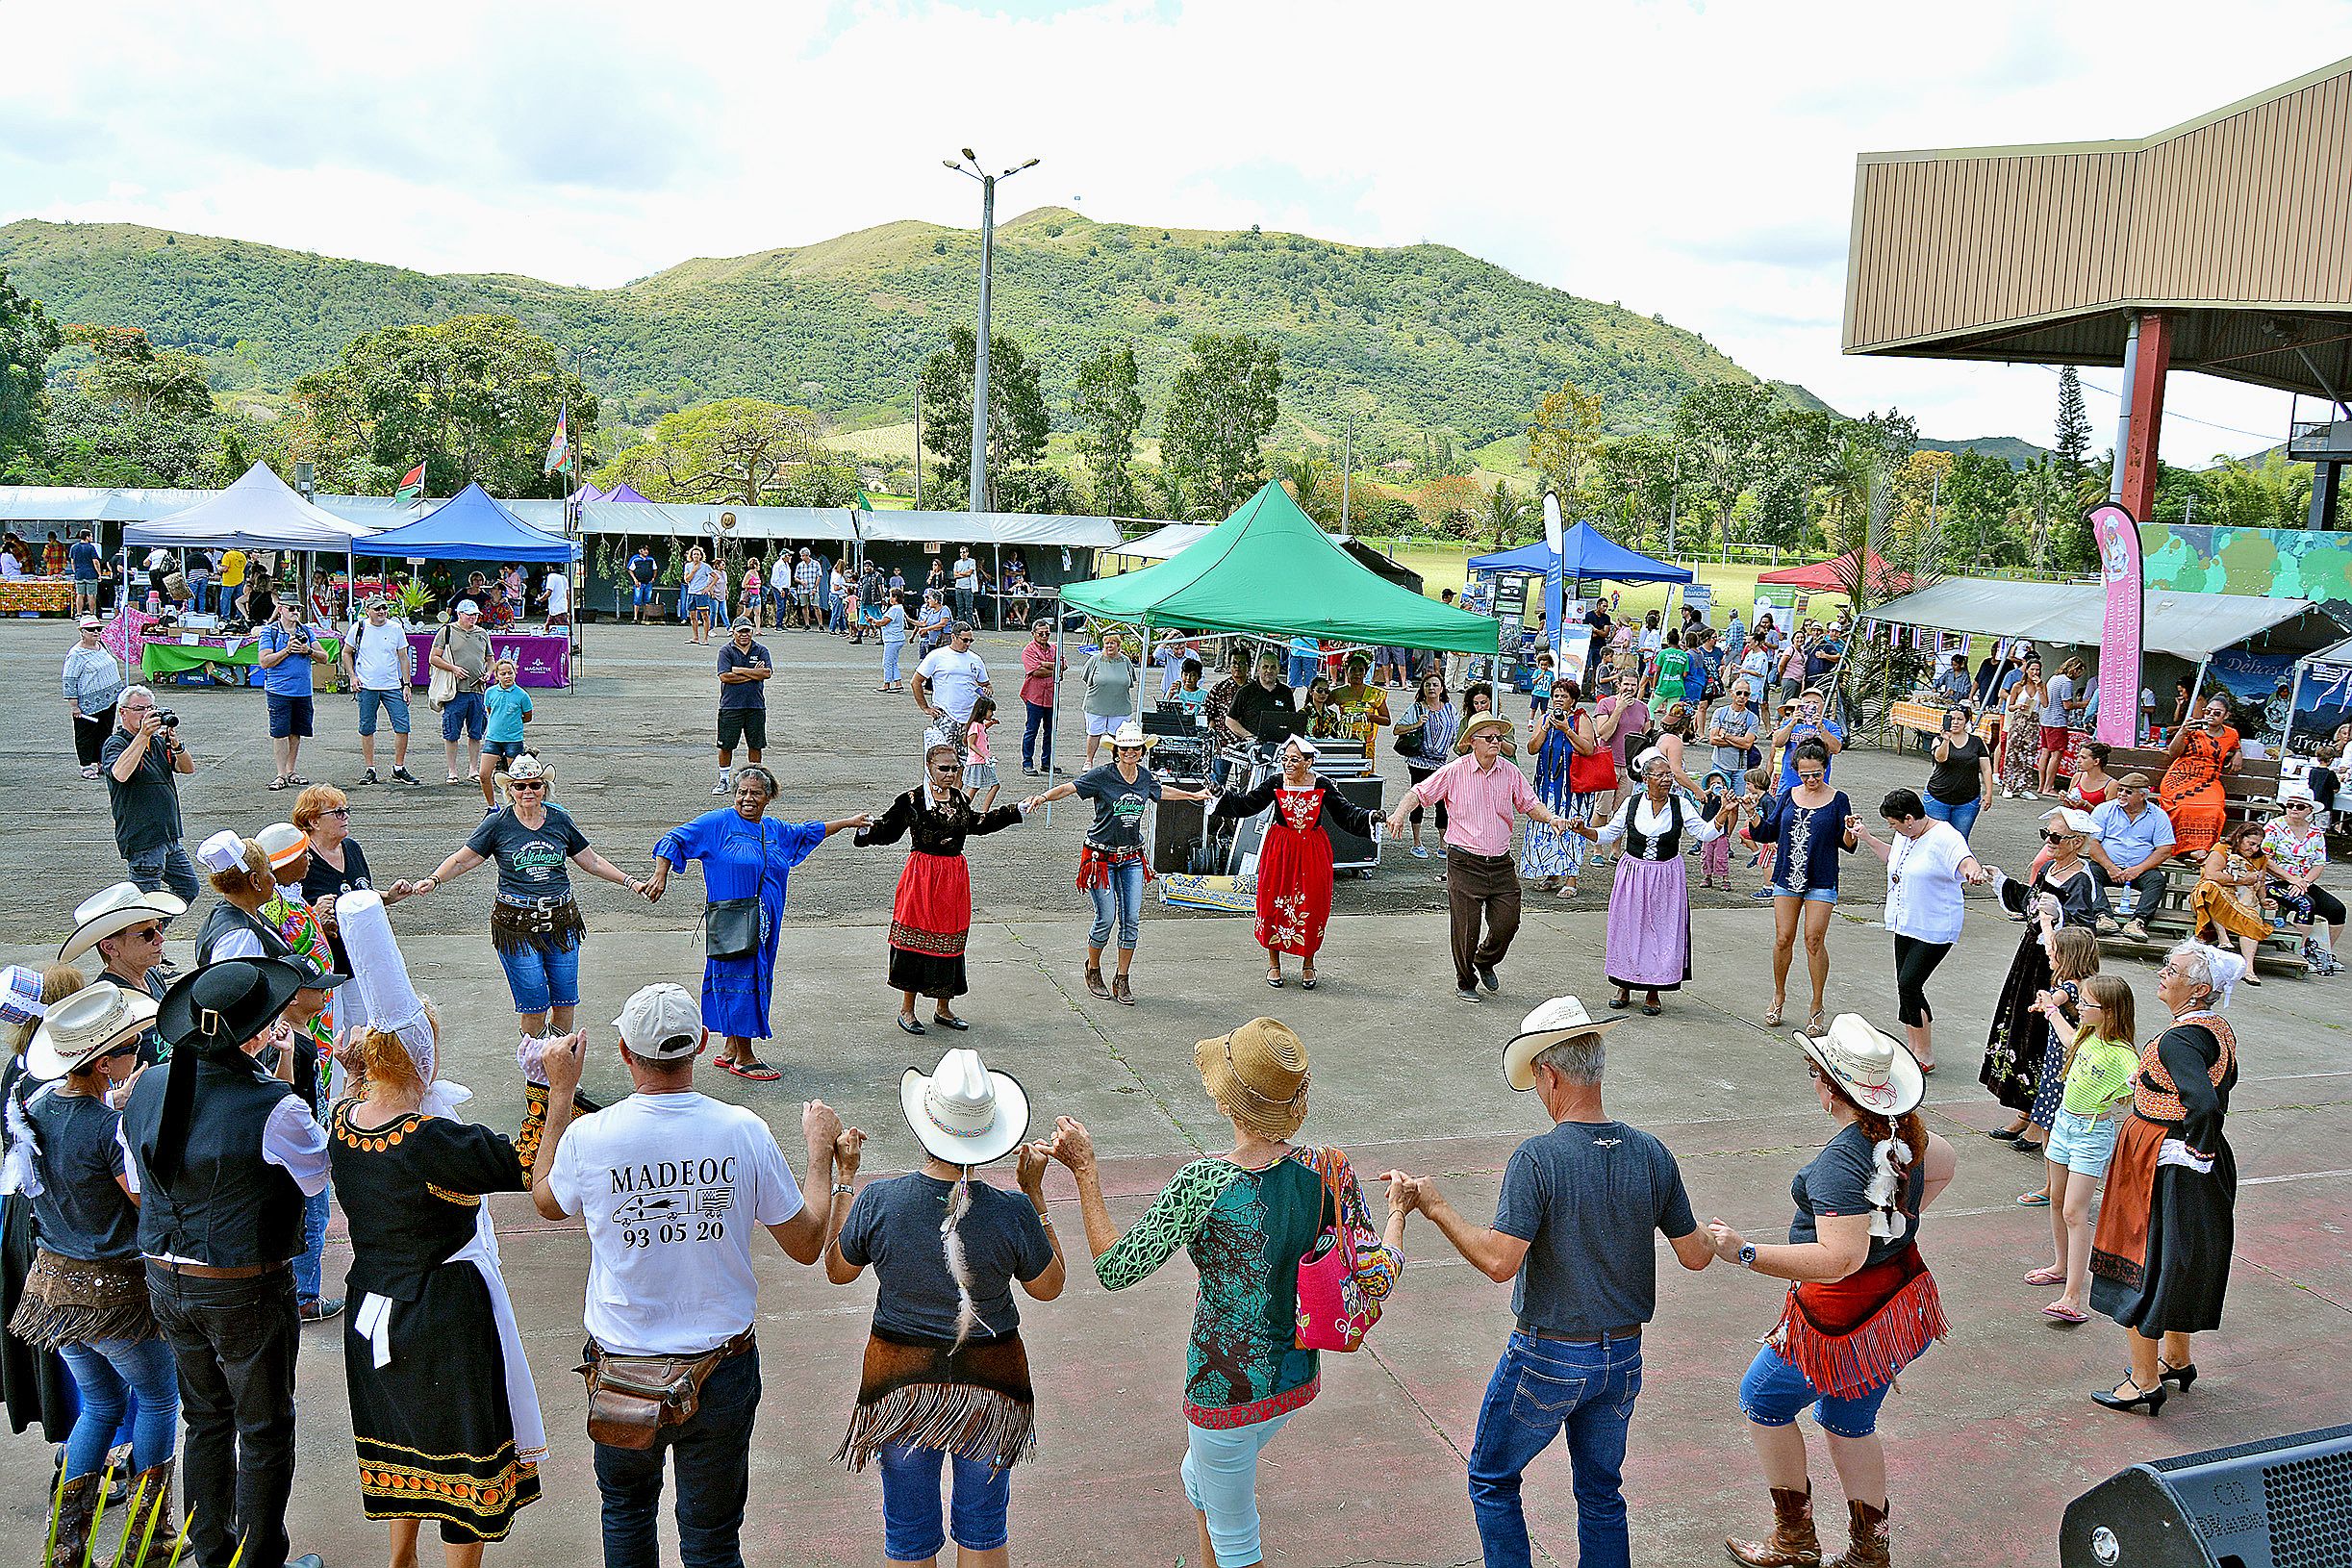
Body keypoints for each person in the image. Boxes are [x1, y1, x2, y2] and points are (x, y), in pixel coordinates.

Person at [1045, 1019, 1404, 1568]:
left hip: (1223, 1391)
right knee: (1197, 1479)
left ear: (1226, 1103)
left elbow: (1116, 1269)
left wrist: (1085, 1171)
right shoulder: (1329, 1168)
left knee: (1238, 1541)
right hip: (1294, 1376)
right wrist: (1399, 1213)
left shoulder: (1203, 1184)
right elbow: (1376, 1272)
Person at [1379, 998, 1710, 1568]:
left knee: (1491, 1477)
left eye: (1536, 1078)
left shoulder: (1538, 1158)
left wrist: (1434, 1207)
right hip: (1622, 1355)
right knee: (1601, 1493)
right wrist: (1727, 1241)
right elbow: (1696, 1254)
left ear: (1550, 1075)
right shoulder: (1652, 1153)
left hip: (1549, 1354)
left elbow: (1500, 1261)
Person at [528, 986, 848, 1568]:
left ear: (625, 1053)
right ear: (701, 1043)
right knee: (712, 1539)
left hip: (621, 1371)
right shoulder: (742, 1131)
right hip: (719, 1368)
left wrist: (561, 1095)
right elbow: (806, 1244)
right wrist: (819, 1156)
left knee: (626, 1515)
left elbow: (547, 1201)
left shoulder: (591, 1136)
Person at [1708, 1017, 1956, 1568]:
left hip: (1840, 1321)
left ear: (1828, 1087)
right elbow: (1945, 1164)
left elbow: (1838, 1260)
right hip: (1896, 1308)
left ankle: (1795, 1541)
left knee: (1762, 1399)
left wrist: (1745, 1252)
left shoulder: (1840, 1164)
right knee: (1849, 1423)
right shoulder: (1906, 1131)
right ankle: (1869, 1553)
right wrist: (1893, 1223)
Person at [120, 957, 337, 1568]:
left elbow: (140, 1173)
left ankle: (213, 1552)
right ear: (258, 1032)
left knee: (206, 1419)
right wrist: (310, 1092)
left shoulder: (149, 1083)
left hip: (166, 1276)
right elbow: (316, 1177)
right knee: (264, 1427)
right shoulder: (275, 1106)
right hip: (242, 1286)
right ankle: (258, 1558)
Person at [825, 1049, 1064, 1568]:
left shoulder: (879, 1201)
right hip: (991, 1390)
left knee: (908, 1532)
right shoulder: (1012, 1210)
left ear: (926, 1125)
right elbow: (1049, 1287)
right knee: (983, 1531)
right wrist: (1035, 1196)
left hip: (900, 1388)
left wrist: (845, 1179)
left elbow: (838, 1269)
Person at [328, 1020, 549, 1561]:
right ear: (425, 1061)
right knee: (461, 1458)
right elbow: (527, 1163)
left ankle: (400, 1558)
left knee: (400, 1443)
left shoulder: (342, 1123)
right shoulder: (431, 1141)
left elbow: (359, 1098)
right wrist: (550, 1088)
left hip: (371, 1306)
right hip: (441, 1311)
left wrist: (358, 1072)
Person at [6, 982, 182, 1564]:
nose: (139, 1053)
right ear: (105, 1063)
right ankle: (150, 1542)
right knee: (158, 1401)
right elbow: (145, 1202)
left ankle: (66, 1548)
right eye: (131, 1047)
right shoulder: (109, 1129)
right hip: (115, 1296)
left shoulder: (34, 1109)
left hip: (54, 1291)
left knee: (101, 1405)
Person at [2087, 940, 2240, 1415]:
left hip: (2165, 1160)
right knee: (2177, 1260)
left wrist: (2195, 1149)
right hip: (2185, 1159)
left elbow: (2204, 1103)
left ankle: (2144, 1381)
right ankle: (2176, 1358)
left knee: (2145, 1261)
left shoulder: (2179, 1040)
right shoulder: (2215, 1028)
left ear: (2198, 989)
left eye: (2172, 969)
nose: (2162, 973)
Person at [407, 755, 652, 1038]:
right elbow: (463, 860)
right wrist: (434, 879)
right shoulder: (498, 824)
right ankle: (535, 1064)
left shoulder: (560, 820)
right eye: (520, 786)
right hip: (516, 925)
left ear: (544, 788)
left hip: (562, 922)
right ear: (509, 789)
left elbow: (591, 861)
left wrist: (630, 882)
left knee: (565, 1002)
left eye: (535, 785)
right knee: (534, 1006)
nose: (528, 792)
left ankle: (559, 1057)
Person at [647, 766, 866, 1081]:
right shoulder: (719, 823)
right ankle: (745, 1057)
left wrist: (848, 823)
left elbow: (808, 832)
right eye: (742, 792)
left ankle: (731, 1049)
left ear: (769, 797)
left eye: (756, 793)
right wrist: (660, 875)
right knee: (741, 981)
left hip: (764, 925)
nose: (747, 798)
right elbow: (673, 839)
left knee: (746, 978)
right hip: (733, 921)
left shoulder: (774, 829)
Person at [1385, 715, 1577, 1003]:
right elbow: (1419, 792)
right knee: (1466, 928)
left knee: (1507, 922)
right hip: (1464, 863)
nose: (1496, 742)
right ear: (1472, 742)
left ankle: (1484, 960)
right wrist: (1400, 813)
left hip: (1500, 863)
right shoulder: (1455, 771)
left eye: (1498, 737)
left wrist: (1552, 819)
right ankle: (1465, 981)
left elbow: (1530, 803)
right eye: (1489, 738)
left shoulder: (1509, 772)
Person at [1022, 723, 1214, 1004]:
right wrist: (1043, 797)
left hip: (1131, 857)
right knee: (1106, 917)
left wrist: (1193, 795)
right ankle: (1093, 968)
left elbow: (1161, 791)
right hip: (1100, 858)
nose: (1130, 752)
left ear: (1142, 751)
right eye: (1125, 748)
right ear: (1116, 751)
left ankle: (1122, 978)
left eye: (1135, 748)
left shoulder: (1144, 777)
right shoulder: (1103, 775)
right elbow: (1070, 787)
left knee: (1131, 920)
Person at [856, 746, 1027, 1034]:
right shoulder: (912, 799)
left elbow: (978, 823)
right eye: (943, 768)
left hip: (952, 879)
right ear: (929, 767)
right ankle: (907, 1010)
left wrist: (1015, 810)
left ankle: (943, 1008)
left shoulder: (958, 799)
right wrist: (864, 829)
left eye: (954, 769)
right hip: (922, 877)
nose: (950, 774)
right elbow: (889, 829)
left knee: (950, 939)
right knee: (915, 939)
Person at [1558, 749, 1734, 1016]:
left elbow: (1705, 832)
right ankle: (1624, 986)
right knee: (1628, 929)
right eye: (1660, 775)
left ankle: (1653, 991)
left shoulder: (1681, 805)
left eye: (1669, 775)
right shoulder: (1631, 804)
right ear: (1645, 778)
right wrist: (1584, 830)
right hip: (1633, 875)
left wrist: (1722, 813)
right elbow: (1608, 833)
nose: (1667, 780)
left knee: (1661, 932)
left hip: (1666, 876)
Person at [1209, 735, 1378, 990]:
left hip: (1312, 851)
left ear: (1308, 762)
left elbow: (1345, 813)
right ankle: (1274, 964)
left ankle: (1308, 964)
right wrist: (1222, 796)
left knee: (1312, 905)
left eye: (1294, 760)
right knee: (1273, 903)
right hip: (1280, 850)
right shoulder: (1276, 782)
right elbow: (1247, 804)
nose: (1288, 764)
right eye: (1285, 759)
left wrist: (1371, 817)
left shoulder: (1322, 785)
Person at [1985, 809, 2105, 1142]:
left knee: (2043, 1036)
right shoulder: (2051, 869)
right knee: (2022, 1028)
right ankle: (2025, 1111)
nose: (2048, 842)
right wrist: (2002, 881)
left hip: (2057, 965)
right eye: (2046, 835)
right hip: (2031, 958)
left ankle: (2042, 1121)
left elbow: (2083, 930)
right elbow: (2031, 901)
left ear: (2076, 842)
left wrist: (2056, 917)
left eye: (2055, 837)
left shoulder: (2083, 879)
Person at [2029, 974, 2139, 1326]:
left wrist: (2140, 1080)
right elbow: (2066, 1035)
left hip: (2091, 1135)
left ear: (2109, 1011)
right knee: (2057, 1201)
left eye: (2087, 1003)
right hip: (2064, 1124)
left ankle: (2073, 1296)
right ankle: (2060, 1266)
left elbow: (2140, 1079)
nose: (2079, 1007)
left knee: (2075, 1212)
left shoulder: (2123, 1054)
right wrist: (2050, 1009)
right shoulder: (2087, 1035)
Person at [1851, 789, 1985, 1075]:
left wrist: (1973, 871)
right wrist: (1868, 838)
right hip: (1906, 921)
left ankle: (1924, 1051)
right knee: (1905, 986)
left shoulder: (1945, 836)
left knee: (1909, 983)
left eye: (1894, 824)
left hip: (1935, 926)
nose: (1893, 829)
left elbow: (1965, 860)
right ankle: (1913, 1047)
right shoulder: (1906, 835)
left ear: (1909, 819)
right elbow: (1894, 860)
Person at [1740, 740, 1855, 1034]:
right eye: (1805, 775)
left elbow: (1846, 843)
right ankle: (1779, 994)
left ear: (1825, 768)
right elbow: (1768, 832)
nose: (1811, 780)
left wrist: (1852, 831)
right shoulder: (1788, 795)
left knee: (1813, 940)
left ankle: (1817, 1004)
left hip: (1821, 877)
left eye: (1816, 774)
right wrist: (1753, 813)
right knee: (1783, 938)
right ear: (1796, 772)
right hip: (1787, 875)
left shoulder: (1838, 799)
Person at [60, 883, 184, 1062]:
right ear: (109, 947)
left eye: (158, 927)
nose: (160, 938)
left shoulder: (151, 975)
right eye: (147, 934)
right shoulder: (106, 1002)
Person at [102, 686, 199, 905]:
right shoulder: (116, 743)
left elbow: (187, 768)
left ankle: (158, 926)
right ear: (123, 712)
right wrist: (143, 735)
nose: (146, 714)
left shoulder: (156, 742)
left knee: (188, 887)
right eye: (139, 709)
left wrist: (176, 745)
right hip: (143, 839)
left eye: (150, 708)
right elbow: (120, 774)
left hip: (169, 836)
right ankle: (146, 927)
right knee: (144, 903)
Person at [1520, 681, 1604, 898]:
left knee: (1572, 829)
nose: (1558, 699)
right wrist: (1546, 728)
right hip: (1546, 785)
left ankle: (1571, 879)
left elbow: (1589, 749)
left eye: (1563, 696)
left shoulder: (1581, 719)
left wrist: (1567, 730)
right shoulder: (1544, 719)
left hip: (1573, 788)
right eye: (1556, 695)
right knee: (1547, 827)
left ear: (1573, 700)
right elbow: (1532, 749)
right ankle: (1551, 874)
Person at [2262, 790, 2344, 974]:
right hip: (2273, 881)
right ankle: (2301, 951)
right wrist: (2292, 879)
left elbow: (2319, 864)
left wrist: (2304, 882)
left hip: (2303, 882)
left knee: (2337, 909)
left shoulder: (2315, 832)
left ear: (2309, 810)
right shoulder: (2274, 826)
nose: (2294, 809)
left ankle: (2323, 952)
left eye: (2299, 806)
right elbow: (2265, 860)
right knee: (2306, 904)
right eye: (2290, 805)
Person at [342, 597, 421, 786]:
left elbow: (403, 657)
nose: (381, 612)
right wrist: (352, 676)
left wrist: (407, 684)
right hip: (367, 685)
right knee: (367, 727)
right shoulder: (359, 628)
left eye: (384, 608)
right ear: (368, 610)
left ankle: (399, 767)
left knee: (402, 725)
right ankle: (370, 768)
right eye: (377, 608)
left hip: (392, 685)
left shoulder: (395, 628)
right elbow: (346, 652)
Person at [2086, 775, 2175, 942]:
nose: (2121, 794)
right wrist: (2110, 867)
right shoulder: (2104, 809)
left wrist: (2138, 869)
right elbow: (2093, 844)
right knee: (2088, 874)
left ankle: (2138, 922)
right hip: (2107, 866)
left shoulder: (2158, 815)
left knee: (2157, 881)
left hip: (2140, 869)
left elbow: (2164, 850)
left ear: (2142, 796)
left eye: (2128, 792)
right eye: (2120, 790)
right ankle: (2103, 917)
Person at [257, 597, 334, 792]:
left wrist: (308, 650)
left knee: (295, 732)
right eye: (291, 608)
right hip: (279, 690)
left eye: (298, 608)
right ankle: (281, 774)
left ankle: (291, 770)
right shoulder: (270, 631)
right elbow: (264, 661)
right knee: (280, 732)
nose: (295, 612)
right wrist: (287, 650)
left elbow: (325, 657)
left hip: (302, 691)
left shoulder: (306, 631)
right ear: (280, 609)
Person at [2158, 695, 2242, 859]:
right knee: (2182, 805)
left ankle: (2201, 848)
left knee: (2215, 808)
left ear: (2226, 716)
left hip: (2209, 780)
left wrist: (2238, 753)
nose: (2211, 715)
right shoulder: (2193, 729)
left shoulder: (2231, 734)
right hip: (2181, 776)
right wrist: (2182, 731)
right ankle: (2180, 847)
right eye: (2207, 711)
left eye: (2217, 713)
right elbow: (2173, 753)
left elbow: (2236, 746)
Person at [2188, 822, 2274, 979]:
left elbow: (2260, 881)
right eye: (2251, 844)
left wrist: (2263, 900)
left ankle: (2248, 969)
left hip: (2242, 900)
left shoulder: (2260, 858)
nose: (2254, 849)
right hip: (2209, 897)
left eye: (2258, 845)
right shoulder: (2221, 849)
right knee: (2211, 888)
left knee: (2250, 920)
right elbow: (2211, 875)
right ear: (2240, 838)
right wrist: (2243, 880)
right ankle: (2223, 938)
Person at [1393, 668, 1460, 862]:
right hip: (1419, 762)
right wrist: (1416, 725)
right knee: (1418, 801)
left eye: (1435, 685)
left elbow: (1456, 733)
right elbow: (1397, 729)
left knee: (1442, 804)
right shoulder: (1416, 708)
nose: (1431, 688)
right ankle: (1417, 842)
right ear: (1422, 688)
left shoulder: (1450, 709)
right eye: (1428, 685)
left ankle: (1442, 843)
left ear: (1442, 689)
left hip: (1440, 763)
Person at [432, 600, 493, 785]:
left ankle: (473, 769)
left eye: (475, 615)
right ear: (459, 614)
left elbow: (490, 659)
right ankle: (452, 771)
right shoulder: (447, 631)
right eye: (469, 614)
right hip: (455, 691)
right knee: (451, 732)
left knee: (476, 733)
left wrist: (489, 673)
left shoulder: (482, 633)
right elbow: (434, 658)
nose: (472, 618)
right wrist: (453, 669)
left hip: (477, 690)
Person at [715, 618, 771, 797]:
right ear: (733, 632)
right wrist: (754, 674)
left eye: (747, 631)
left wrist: (738, 669)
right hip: (731, 705)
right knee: (726, 744)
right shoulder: (726, 651)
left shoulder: (761, 650)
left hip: (755, 705)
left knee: (755, 745)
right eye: (740, 631)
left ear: (752, 631)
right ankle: (724, 779)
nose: (744, 635)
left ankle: (755, 780)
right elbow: (725, 676)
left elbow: (767, 673)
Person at [1919, 703, 1992, 842]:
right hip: (1938, 798)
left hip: (1967, 801)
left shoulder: (1977, 742)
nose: (1955, 722)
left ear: (1966, 721)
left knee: (1959, 840)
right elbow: (1940, 758)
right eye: (1952, 719)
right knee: (1935, 839)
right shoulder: (1938, 740)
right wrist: (1946, 740)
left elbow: (1986, 769)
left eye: (1960, 719)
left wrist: (1988, 793)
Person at [63, 614, 123, 782]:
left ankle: (102, 761)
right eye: (91, 629)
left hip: (109, 699)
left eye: (98, 629)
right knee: (86, 735)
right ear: (82, 632)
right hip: (88, 703)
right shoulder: (76, 654)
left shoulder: (101, 646)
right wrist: (74, 705)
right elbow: (69, 679)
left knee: (105, 732)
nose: (95, 632)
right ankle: (86, 765)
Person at [916, 622, 992, 754]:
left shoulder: (976, 659)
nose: (968, 644)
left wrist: (987, 690)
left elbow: (986, 684)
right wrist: (925, 707)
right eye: (965, 640)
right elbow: (916, 681)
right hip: (946, 715)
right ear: (953, 637)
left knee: (969, 759)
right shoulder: (937, 656)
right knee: (945, 757)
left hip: (970, 717)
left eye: (971, 641)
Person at [477, 657, 535, 810]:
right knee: (484, 774)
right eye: (503, 674)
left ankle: (515, 806)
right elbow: (490, 711)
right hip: (493, 739)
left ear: (515, 673)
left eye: (510, 673)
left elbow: (527, 717)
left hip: (513, 740)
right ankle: (492, 806)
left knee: (515, 777)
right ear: (496, 675)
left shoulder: (522, 695)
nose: (507, 676)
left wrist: (513, 723)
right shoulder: (490, 692)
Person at [1079, 632, 1141, 767]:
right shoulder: (1095, 660)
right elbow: (1085, 677)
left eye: (1112, 643)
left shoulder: (1125, 661)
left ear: (1118, 645)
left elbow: (1131, 681)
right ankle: (1089, 761)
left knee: (1119, 737)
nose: (1109, 646)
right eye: (1107, 643)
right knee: (1094, 734)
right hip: (1096, 705)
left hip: (1120, 706)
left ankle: (1119, 762)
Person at [1769, 687, 1845, 793]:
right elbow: (1777, 743)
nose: (1811, 705)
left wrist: (1821, 728)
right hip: (1789, 784)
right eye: (1807, 702)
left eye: (1815, 703)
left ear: (1823, 706)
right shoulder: (1790, 723)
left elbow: (1836, 749)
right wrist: (1792, 723)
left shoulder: (1831, 726)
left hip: (1817, 784)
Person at [1223, 651, 1297, 746]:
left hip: (1279, 745)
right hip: (1253, 746)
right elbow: (1230, 720)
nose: (1269, 671)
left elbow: (1292, 720)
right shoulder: (1245, 691)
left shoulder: (1286, 692)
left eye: (1273, 667)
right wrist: (1248, 736)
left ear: (1278, 669)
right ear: (1258, 669)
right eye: (1265, 667)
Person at [1018, 620, 1062, 775]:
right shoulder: (1028, 650)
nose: (1044, 636)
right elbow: (1036, 672)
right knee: (1032, 730)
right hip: (1034, 696)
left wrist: (1044, 664)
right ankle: (1027, 763)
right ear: (1033, 634)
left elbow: (1063, 665)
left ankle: (1047, 762)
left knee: (1050, 731)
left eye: (1047, 633)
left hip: (1051, 696)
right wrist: (1055, 668)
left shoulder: (1055, 648)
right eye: (1041, 633)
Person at [1999, 655, 2046, 799]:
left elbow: (2045, 704)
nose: (2035, 672)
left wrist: (2040, 688)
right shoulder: (2018, 686)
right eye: (2032, 669)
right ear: (2027, 670)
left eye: (2037, 670)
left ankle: (2024, 786)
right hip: (2019, 720)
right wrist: (2018, 706)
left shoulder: (2041, 686)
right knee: (2012, 752)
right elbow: (2010, 706)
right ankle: (2008, 785)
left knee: (2029, 754)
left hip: (2033, 721)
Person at [2039, 656, 2088, 795]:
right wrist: (2083, 704)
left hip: (2046, 719)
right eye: (2079, 672)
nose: (2079, 676)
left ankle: (2042, 785)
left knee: (2045, 753)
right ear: (2075, 669)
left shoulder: (2054, 678)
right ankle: (2048, 787)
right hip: (2057, 722)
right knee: (2056, 755)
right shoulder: (2066, 682)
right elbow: (2067, 705)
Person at [877, 588, 912, 694]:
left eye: (890, 596)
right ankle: (898, 683)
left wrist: (874, 621)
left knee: (887, 662)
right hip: (897, 638)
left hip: (892, 639)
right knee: (894, 662)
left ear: (895, 597)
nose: (889, 599)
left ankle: (887, 684)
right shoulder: (900, 608)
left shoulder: (894, 609)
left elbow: (884, 622)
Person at [682, 545, 717, 645]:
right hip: (691, 593)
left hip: (701, 594)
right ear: (691, 556)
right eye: (694, 554)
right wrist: (694, 570)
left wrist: (708, 588)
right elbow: (687, 579)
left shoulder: (705, 566)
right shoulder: (688, 566)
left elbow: (715, 577)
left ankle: (705, 639)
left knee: (705, 616)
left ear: (701, 556)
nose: (696, 556)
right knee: (692, 616)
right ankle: (695, 637)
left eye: (698, 554)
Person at [68, 528, 102, 619]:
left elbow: (72, 562)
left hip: (79, 574)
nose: (92, 538)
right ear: (87, 537)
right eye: (91, 536)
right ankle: (92, 614)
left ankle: (79, 613)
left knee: (80, 594)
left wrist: (75, 571)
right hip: (91, 574)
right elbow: (95, 562)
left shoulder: (74, 547)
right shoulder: (91, 547)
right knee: (91, 594)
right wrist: (99, 573)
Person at [627, 542, 658, 623]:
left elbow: (655, 569)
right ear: (640, 551)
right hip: (639, 583)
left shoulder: (651, 559)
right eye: (644, 550)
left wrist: (653, 578)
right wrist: (635, 579)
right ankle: (635, 617)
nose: (646, 551)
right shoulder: (635, 559)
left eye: (647, 550)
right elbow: (630, 569)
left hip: (648, 583)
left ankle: (644, 618)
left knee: (647, 600)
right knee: (637, 600)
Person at [542, 562, 571, 633]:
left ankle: (570, 638)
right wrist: (569, 606)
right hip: (559, 607)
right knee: (548, 628)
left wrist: (541, 599)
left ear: (551, 567)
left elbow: (548, 592)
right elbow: (567, 594)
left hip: (556, 608)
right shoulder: (564, 577)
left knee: (564, 628)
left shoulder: (551, 576)